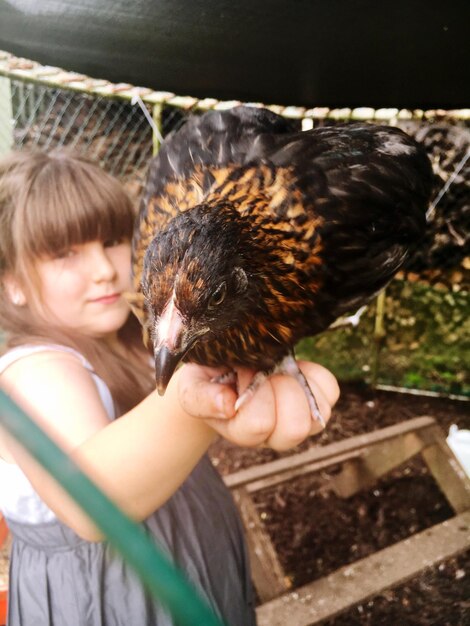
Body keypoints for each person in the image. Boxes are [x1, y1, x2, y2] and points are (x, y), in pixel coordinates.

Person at [0, 150, 339, 626]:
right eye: (64, 253)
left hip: (189, 565)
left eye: (114, 240)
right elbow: (92, 503)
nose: (105, 269)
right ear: (12, 282)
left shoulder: (135, 340)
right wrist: (195, 403)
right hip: (109, 599)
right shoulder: (34, 370)